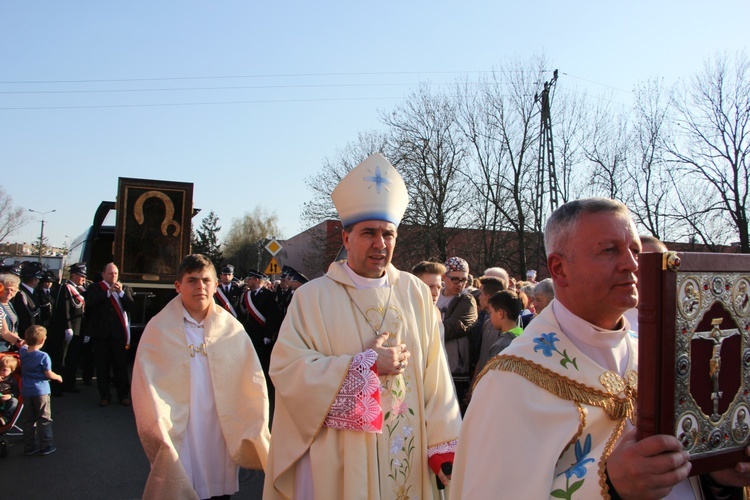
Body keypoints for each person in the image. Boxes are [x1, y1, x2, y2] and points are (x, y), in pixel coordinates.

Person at [452, 197, 750, 498]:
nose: (633, 264)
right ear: (559, 268)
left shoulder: (661, 358)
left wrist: (715, 477)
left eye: (634, 251)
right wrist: (609, 484)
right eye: (610, 250)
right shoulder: (509, 382)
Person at [264, 153, 461, 500]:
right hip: (343, 457)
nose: (380, 244)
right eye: (368, 233)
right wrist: (364, 366)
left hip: (410, 454)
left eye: (388, 234)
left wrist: (444, 441)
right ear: (345, 237)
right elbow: (287, 370)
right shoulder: (313, 298)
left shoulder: (414, 292)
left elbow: (437, 373)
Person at [132, 254, 270, 499]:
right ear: (178, 286)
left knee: (219, 488)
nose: (200, 287)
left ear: (216, 285)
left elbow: (252, 380)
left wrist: (251, 418)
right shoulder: (159, 328)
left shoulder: (232, 329)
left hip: (220, 424)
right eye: (192, 280)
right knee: (180, 484)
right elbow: (146, 382)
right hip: (180, 424)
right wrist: (158, 421)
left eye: (206, 280)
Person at [85, 263, 133, 407]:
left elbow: (131, 306)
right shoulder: (95, 288)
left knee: (121, 366)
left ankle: (123, 395)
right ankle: (105, 395)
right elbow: (91, 303)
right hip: (101, 334)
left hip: (118, 335)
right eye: (111, 273)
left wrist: (121, 293)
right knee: (102, 367)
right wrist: (108, 292)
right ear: (104, 275)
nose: (114, 276)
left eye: (116, 273)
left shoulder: (125, 289)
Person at [438, 256, 477, 414]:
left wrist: (425, 330)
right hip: (435, 361)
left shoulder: (466, 300)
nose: (460, 284)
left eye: (464, 280)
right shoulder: (435, 295)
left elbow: (455, 327)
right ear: (443, 277)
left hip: (455, 368)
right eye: (455, 279)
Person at [19, 325, 62, 456]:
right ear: (42, 340)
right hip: (41, 391)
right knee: (44, 419)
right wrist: (58, 377)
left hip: (26, 391)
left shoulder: (23, 352)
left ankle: (29, 446)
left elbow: (22, 345)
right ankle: (46, 445)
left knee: (28, 420)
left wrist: (25, 342)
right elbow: (48, 374)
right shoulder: (43, 356)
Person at [54, 263, 88, 394]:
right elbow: (64, 309)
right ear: (73, 275)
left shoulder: (79, 289)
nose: (83, 279)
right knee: (63, 359)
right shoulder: (66, 288)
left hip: (78, 329)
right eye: (81, 276)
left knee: (73, 358)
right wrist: (67, 327)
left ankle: (70, 383)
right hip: (68, 329)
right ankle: (59, 386)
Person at [484, 290, 524, 360]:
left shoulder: (501, 346)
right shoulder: (524, 337)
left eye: (491, 312)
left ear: (500, 313)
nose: (490, 318)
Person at [12, 261, 43, 339]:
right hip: (26, 335)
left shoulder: (31, 292)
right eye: (37, 279)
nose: (38, 281)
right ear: (33, 280)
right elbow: (23, 318)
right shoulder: (21, 294)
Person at [0, 273, 26, 351]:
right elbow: (4, 333)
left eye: (12, 290)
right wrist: (20, 341)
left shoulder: (9, 304)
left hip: (9, 347)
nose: (9, 292)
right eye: (6, 289)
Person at [0, 354, 20, 426]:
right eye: (0, 369)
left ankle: (5, 418)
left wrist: (10, 396)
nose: (1, 371)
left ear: (11, 370)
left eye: (4, 370)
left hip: (6, 401)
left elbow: (16, 392)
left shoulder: (13, 380)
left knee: (14, 401)